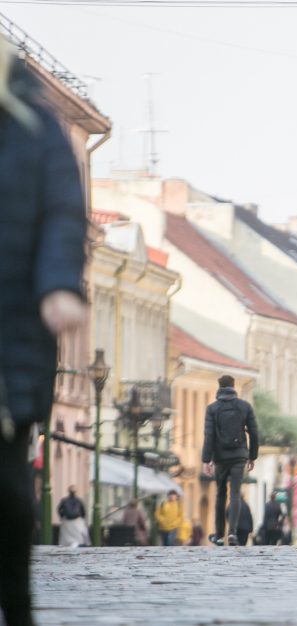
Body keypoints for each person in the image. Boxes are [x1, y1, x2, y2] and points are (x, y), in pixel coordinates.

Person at [0, 36, 88, 626]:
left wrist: (58, 284)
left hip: (14, 330)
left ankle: (17, 603)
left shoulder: (36, 127)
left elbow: (63, 212)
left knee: (7, 488)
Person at [201, 374, 259, 547]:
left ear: (219, 387)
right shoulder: (245, 406)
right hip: (239, 455)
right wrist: (252, 455)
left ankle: (219, 534)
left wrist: (206, 459)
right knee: (235, 493)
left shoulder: (212, 409)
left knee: (220, 493)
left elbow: (209, 435)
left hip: (220, 457)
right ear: (234, 386)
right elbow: (255, 433)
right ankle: (232, 533)